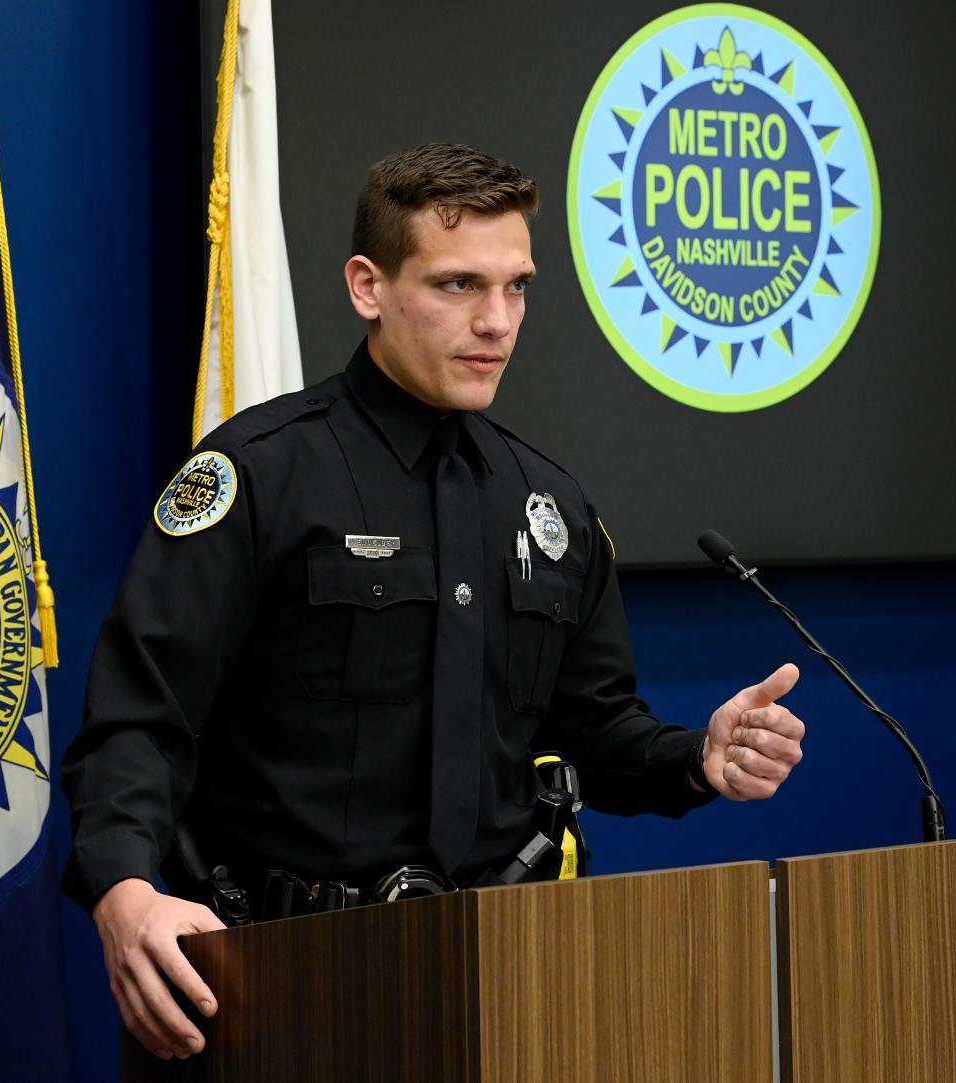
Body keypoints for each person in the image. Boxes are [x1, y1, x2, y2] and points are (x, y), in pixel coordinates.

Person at [61, 143, 805, 1062]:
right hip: (275, 986)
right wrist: (123, 888)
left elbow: (593, 731)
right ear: (367, 286)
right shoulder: (257, 475)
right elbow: (140, 720)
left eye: (518, 287)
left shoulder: (554, 508)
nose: (498, 322)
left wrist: (697, 757)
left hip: (504, 984)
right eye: (459, 285)